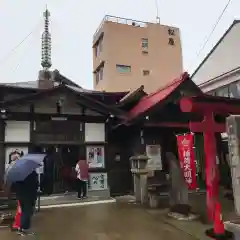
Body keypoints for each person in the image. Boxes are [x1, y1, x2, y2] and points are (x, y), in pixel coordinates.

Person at [14, 170, 38, 236]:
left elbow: (15, 184)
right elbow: (35, 184)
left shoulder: (18, 173)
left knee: (24, 211)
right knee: (27, 212)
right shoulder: (32, 173)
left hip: (21, 195)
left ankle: (21, 228)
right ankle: (23, 229)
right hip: (28, 195)